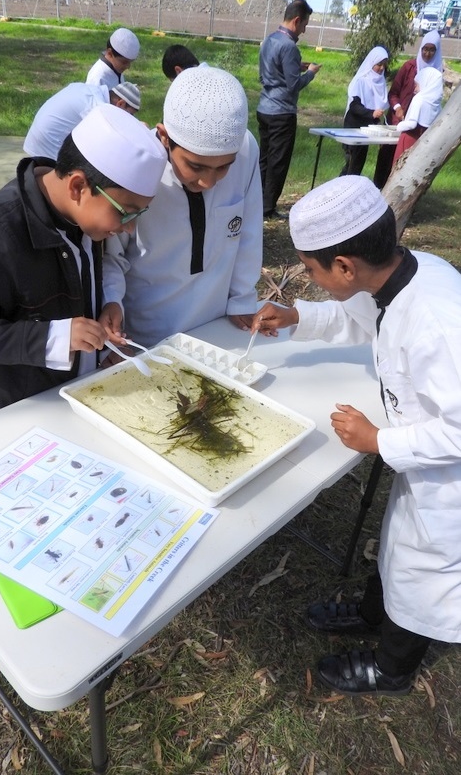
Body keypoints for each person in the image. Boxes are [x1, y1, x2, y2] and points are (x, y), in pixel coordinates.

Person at [251, 175, 461, 697]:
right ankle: (374, 610)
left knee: (423, 570)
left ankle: (392, 669)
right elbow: (358, 320)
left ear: (344, 265)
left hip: (450, 485)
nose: (308, 277)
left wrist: (378, 441)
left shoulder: (435, 318)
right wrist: (298, 315)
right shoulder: (402, 274)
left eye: (309, 269)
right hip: (424, 465)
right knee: (397, 545)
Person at [0, 105, 167, 423]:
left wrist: (104, 314)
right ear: (78, 186)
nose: (129, 227)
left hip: (75, 396)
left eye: (139, 214)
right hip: (15, 416)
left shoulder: (84, 217)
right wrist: (55, 338)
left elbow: (77, 282)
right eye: (126, 212)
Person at [101, 65, 263, 347]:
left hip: (216, 329)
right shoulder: (137, 168)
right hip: (147, 336)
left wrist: (241, 298)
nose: (209, 182)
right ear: (164, 137)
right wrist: (111, 301)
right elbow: (112, 256)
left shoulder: (246, 149)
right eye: (196, 166)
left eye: (224, 167)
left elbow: (247, 229)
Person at [257, 0, 321, 221]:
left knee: (263, 158)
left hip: (264, 107)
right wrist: (311, 72)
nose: (304, 30)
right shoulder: (289, 47)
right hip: (282, 112)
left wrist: (297, 67)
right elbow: (294, 85)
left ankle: (257, 202)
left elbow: (265, 74)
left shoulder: (269, 40)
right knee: (278, 162)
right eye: (304, 25)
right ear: (296, 20)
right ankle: (268, 208)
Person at [373, 31, 442, 188]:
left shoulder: (437, 73)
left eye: (432, 50)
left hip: (418, 128)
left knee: (406, 165)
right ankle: (378, 188)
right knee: (386, 158)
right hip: (399, 122)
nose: (427, 53)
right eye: (425, 48)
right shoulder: (410, 67)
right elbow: (394, 92)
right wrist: (398, 108)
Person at [23, 81, 141, 160]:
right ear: (120, 103)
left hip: (36, 139)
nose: (128, 118)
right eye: (129, 114)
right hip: (48, 149)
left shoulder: (90, 89)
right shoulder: (96, 106)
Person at [340, 46, 389, 177]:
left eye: (384, 65)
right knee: (351, 166)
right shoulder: (361, 80)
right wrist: (371, 113)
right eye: (379, 64)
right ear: (372, 62)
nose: (382, 68)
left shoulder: (381, 81)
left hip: (366, 129)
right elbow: (354, 107)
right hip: (353, 127)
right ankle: (340, 192)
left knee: (357, 166)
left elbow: (379, 108)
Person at [391, 67, 443, 166]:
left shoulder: (419, 99)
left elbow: (411, 123)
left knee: (400, 167)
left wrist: (399, 126)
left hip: (410, 138)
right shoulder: (437, 103)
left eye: (417, 85)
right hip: (425, 140)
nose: (415, 89)